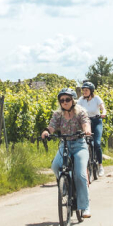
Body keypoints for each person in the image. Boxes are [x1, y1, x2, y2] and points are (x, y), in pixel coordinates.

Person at [40, 87, 93, 218]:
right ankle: (65, 185)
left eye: (67, 99)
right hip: (64, 145)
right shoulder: (58, 115)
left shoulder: (80, 112)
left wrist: (86, 130)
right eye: (62, 100)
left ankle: (85, 206)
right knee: (55, 166)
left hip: (79, 145)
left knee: (80, 175)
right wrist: (47, 131)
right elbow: (52, 126)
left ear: (73, 100)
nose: (64, 102)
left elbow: (86, 123)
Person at [76, 80, 107, 176]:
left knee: (97, 143)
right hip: (86, 122)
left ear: (91, 91)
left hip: (96, 121)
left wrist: (103, 113)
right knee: (84, 143)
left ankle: (100, 166)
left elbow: (103, 108)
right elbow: (76, 109)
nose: (84, 92)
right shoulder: (81, 100)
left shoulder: (96, 98)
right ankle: (85, 165)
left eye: (86, 90)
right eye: (83, 90)